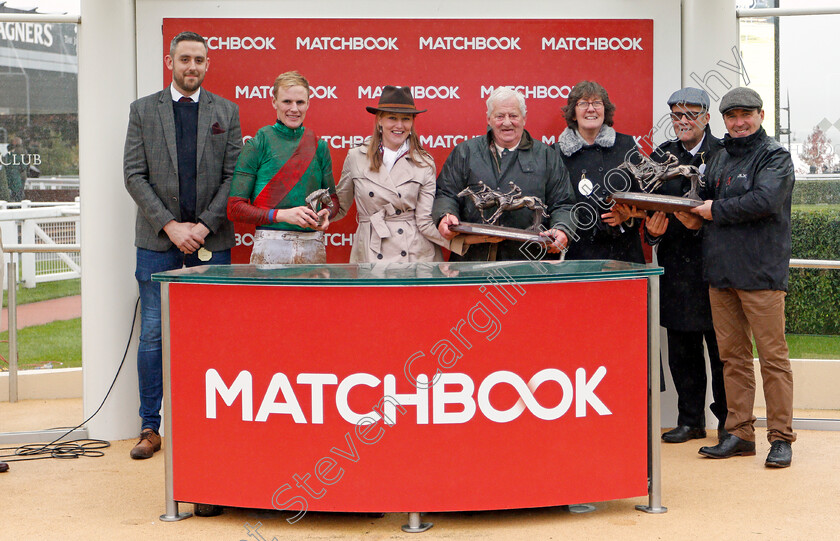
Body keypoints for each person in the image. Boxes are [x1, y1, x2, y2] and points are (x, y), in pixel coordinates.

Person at [124, 31, 242, 459]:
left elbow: (235, 178)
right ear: (170, 61)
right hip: (157, 243)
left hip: (213, 243)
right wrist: (172, 227)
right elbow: (133, 175)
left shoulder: (226, 112)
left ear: (208, 64)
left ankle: (211, 424)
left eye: (200, 60)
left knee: (215, 335)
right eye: (185, 59)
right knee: (153, 335)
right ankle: (150, 428)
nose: (192, 66)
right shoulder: (142, 111)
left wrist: (203, 227)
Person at [682, 87, 796, 468]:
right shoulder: (717, 158)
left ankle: (781, 438)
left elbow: (765, 201)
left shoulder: (775, 156)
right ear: (723, 121)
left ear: (761, 115)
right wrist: (690, 217)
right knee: (732, 359)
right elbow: (704, 208)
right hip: (721, 274)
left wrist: (714, 210)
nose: (739, 122)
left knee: (773, 359)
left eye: (746, 114)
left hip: (762, 274)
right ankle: (740, 433)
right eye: (732, 116)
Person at [645, 87, 727, 443]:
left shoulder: (725, 154)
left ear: (707, 118)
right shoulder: (661, 155)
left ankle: (730, 423)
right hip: (676, 267)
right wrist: (650, 233)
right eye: (677, 115)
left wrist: (704, 224)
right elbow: (647, 207)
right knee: (681, 349)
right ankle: (689, 419)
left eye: (691, 115)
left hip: (717, 266)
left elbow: (733, 209)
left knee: (724, 351)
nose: (683, 121)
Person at [433, 87, 575, 261]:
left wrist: (562, 228)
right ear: (489, 119)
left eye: (513, 116)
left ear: (524, 118)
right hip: (473, 261)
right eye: (500, 116)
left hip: (529, 263)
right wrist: (445, 215)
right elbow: (446, 193)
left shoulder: (546, 156)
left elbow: (564, 203)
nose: (507, 122)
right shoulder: (465, 153)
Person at [227, 71, 336, 264]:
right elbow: (235, 208)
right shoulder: (257, 144)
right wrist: (281, 215)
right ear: (274, 102)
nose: (294, 109)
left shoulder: (319, 146)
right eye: (287, 102)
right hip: (269, 249)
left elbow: (332, 200)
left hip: (313, 248)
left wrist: (327, 213)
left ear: (308, 104)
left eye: (300, 102)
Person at [335, 86, 449, 262]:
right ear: (379, 120)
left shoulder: (424, 162)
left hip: (414, 254)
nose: (399, 125)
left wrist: (461, 241)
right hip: (371, 252)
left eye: (406, 119)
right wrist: (315, 215)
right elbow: (339, 207)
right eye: (392, 118)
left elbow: (424, 221)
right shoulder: (356, 157)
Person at [555, 80, 644, 263]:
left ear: (605, 110)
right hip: (577, 257)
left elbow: (644, 198)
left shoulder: (627, 146)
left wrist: (626, 216)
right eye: (583, 103)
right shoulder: (556, 153)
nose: (591, 109)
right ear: (573, 113)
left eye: (597, 103)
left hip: (622, 254)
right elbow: (553, 206)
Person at [5, 137, 27, 201]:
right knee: (17, 196)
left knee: (10, 197)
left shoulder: (6, 157)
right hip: (17, 181)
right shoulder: (18, 157)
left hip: (8, 181)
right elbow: (24, 167)